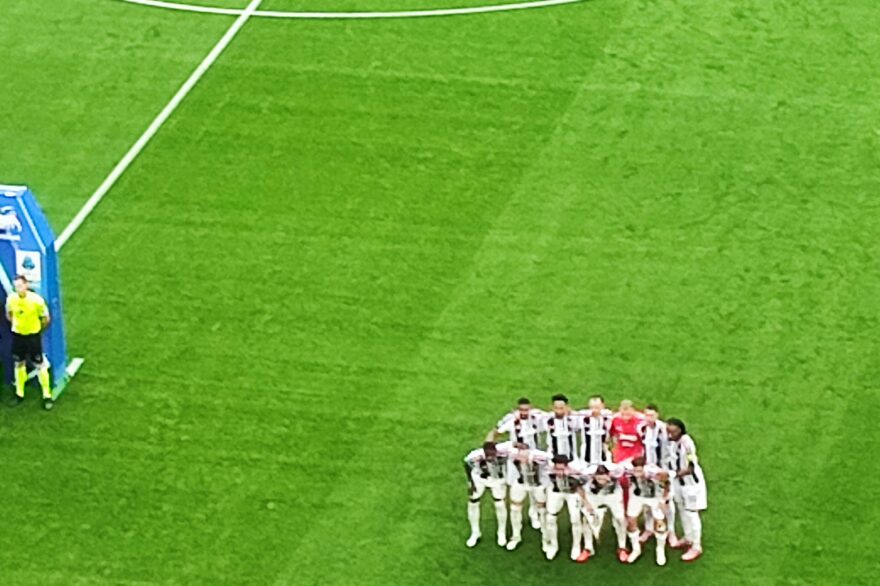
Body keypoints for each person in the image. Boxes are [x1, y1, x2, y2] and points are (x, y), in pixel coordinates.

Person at [489, 397, 547, 530]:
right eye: (522, 410)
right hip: (515, 459)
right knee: (516, 485)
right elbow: (497, 431)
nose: (524, 412)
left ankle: (534, 514)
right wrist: (489, 447)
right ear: (517, 409)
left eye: (526, 410)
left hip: (532, 458)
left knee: (533, 485)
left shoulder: (537, 418)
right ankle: (515, 515)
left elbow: (553, 418)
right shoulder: (511, 420)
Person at [6, 275, 53, 410]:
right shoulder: (11, 299)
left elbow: (45, 318)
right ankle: (19, 394)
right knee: (18, 363)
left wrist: (37, 330)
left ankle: (47, 395)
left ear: (26, 285)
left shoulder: (36, 301)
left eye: (20, 286)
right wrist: (17, 326)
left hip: (33, 337)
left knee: (39, 364)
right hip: (18, 336)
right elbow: (9, 314)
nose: (18, 289)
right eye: (16, 286)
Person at [666, 418, 707, 562]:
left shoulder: (687, 444)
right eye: (668, 431)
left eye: (673, 432)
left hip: (691, 485)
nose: (670, 435)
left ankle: (696, 546)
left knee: (691, 513)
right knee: (681, 509)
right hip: (678, 483)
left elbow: (690, 468)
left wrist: (672, 474)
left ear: (680, 430)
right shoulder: (671, 443)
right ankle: (688, 537)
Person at [624, 456, 673, 566]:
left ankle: (660, 549)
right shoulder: (627, 468)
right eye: (635, 471)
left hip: (654, 497)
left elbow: (667, 483)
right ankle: (636, 549)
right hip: (637, 495)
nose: (637, 473)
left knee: (660, 522)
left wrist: (664, 500)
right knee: (631, 520)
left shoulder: (654, 472)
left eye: (639, 471)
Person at [576, 463, 629, 563]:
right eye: (598, 477)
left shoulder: (616, 474)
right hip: (594, 495)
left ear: (608, 475)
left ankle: (622, 547)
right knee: (587, 519)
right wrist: (586, 502)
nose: (601, 480)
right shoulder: (587, 477)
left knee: (620, 519)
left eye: (603, 477)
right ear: (594, 475)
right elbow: (578, 486)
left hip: (613, 495)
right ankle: (588, 548)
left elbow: (626, 470)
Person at [463, 441, 512, 548]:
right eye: (487, 455)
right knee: (473, 503)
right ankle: (475, 532)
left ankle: (501, 532)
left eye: (492, 455)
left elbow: (515, 446)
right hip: (479, 479)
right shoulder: (475, 455)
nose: (490, 457)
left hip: (497, 480)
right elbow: (466, 463)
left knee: (500, 504)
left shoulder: (504, 452)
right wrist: (471, 483)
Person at [505, 443, 550, 551]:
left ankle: (546, 538)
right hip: (521, 483)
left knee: (542, 510)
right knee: (515, 509)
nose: (522, 459)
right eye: (520, 455)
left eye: (524, 456)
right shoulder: (512, 455)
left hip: (537, 484)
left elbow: (551, 459)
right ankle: (516, 536)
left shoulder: (539, 456)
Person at [544, 454, 588, 561]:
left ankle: (576, 546)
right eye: (557, 469)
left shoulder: (575, 471)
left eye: (562, 469)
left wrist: (574, 473)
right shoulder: (549, 470)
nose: (559, 472)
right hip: (556, 492)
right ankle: (553, 546)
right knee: (550, 518)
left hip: (572, 493)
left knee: (575, 519)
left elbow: (584, 481)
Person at [640, 404, 670, 543]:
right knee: (647, 499)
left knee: (664, 501)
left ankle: (668, 530)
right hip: (647, 468)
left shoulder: (664, 430)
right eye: (646, 415)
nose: (649, 418)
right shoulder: (642, 428)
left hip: (661, 469)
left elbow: (669, 450)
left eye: (651, 415)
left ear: (657, 415)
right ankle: (648, 528)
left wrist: (665, 470)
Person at [543, 394, 583, 462]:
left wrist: (570, 413)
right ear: (552, 407)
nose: (558, 411)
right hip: (552, 456)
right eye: (556, 408)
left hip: (571, 457)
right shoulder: (547, 418)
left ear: (567, 407)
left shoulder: (574, 418)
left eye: (561, 408)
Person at [578, 395, 613, 465]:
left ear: (603, 406)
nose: (594, 410)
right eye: (592, 407)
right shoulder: (583, 416)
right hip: (587, 450)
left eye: (597, 407)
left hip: (603, 449)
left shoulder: (608, 415)